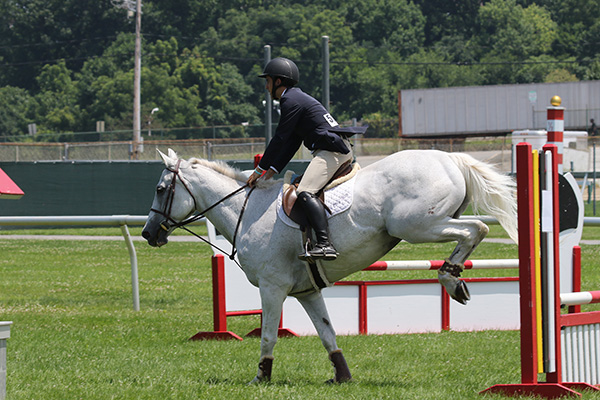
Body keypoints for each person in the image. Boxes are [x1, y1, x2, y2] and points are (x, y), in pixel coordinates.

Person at [247, 57, 365, 261]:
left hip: (332, 152)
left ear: (278, 81)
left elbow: (280, 138)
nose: (265, 87)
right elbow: (292, 142)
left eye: (267, 81)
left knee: (305, 191)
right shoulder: (296, 98)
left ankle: (325, 244)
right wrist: (272, 171)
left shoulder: (289, 100)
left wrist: (259, 170)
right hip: (332, 149)